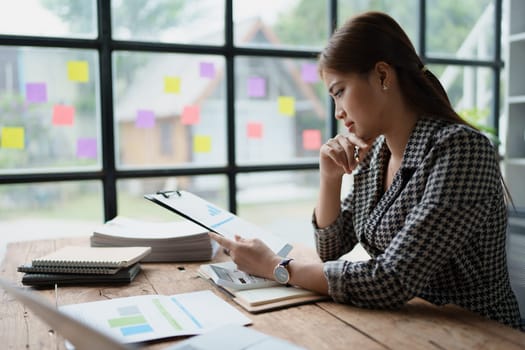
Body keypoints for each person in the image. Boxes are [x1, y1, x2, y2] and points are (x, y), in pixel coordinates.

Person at [209, 11, 523, 330]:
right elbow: (331, 250)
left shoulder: (461, 151)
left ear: (383, 76)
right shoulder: (377, 155)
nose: (338, 112)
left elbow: (391, 279)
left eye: (339, 91)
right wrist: (330, 179)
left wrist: (276, 267)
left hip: (479, 331)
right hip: (408, 325)